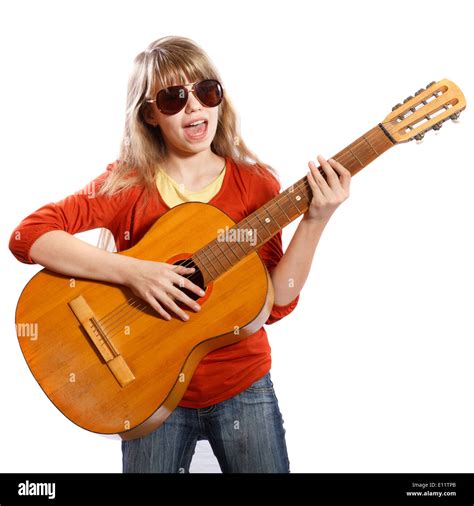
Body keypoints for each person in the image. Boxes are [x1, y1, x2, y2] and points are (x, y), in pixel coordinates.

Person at [9, 35, 351, 473]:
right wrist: (135, 273)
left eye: (205, 91)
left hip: (241, 385)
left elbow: (275, 303)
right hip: (145, 391)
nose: (194, 107)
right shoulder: (127, 184)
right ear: (150, 114)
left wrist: (315, 220)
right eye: (173, 98)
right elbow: (28, 235)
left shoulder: (256, 186)